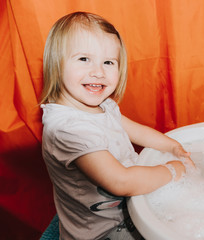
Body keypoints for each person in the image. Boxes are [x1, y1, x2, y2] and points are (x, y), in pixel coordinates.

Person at [40, 11, 194, 240]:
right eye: (84, 59)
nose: (98, 72)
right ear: (56, 62)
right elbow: (120, 181)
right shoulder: (66, 129)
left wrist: (173, 147)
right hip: (102, 232)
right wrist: (172, 170)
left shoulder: (104, 106)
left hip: (128, 212)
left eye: (108, 62)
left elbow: (136, 130)